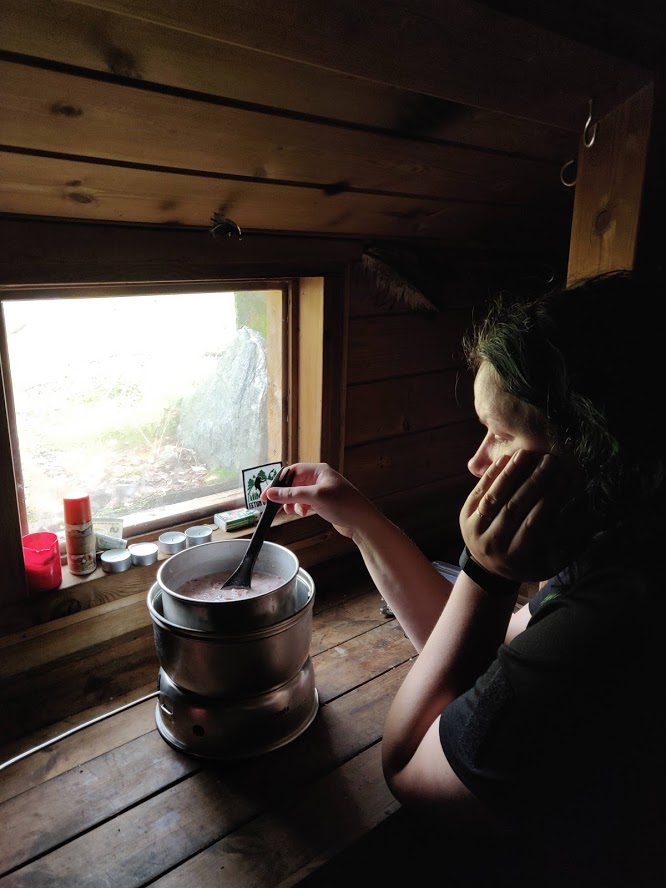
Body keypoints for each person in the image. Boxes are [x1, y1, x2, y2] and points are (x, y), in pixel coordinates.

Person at [264, 270, 666, 887]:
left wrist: (486, 569)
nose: (476, 460)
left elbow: (408, 769)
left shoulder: (605, 623)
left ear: (597, 448)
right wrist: (357, 517)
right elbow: (477, 646)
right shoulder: (618, 548)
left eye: (502, 435)